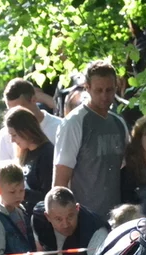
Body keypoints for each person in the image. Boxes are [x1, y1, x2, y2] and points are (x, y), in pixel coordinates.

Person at [53, 60, 130, 219]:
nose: (104, 96)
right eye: (98, 90)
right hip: (83, 218)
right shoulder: (74, 123)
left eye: (109, 90)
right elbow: (60, 179)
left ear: (116, 87)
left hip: (115, 217)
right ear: (87, 87)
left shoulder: (119, 123)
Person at [0, 79, 63, 165]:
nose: (15, 115)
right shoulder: (6, 134)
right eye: (11, 110)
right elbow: (3, 172)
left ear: (34, 100)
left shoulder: (60, 127)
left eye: (20, 109)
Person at [4, 106, 54, 214]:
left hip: (40, 217)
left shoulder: (47, 154)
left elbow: (48, 195)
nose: (12, 140)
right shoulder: (26, 152)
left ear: (26, 131)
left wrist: (21, 193)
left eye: (14, 135)